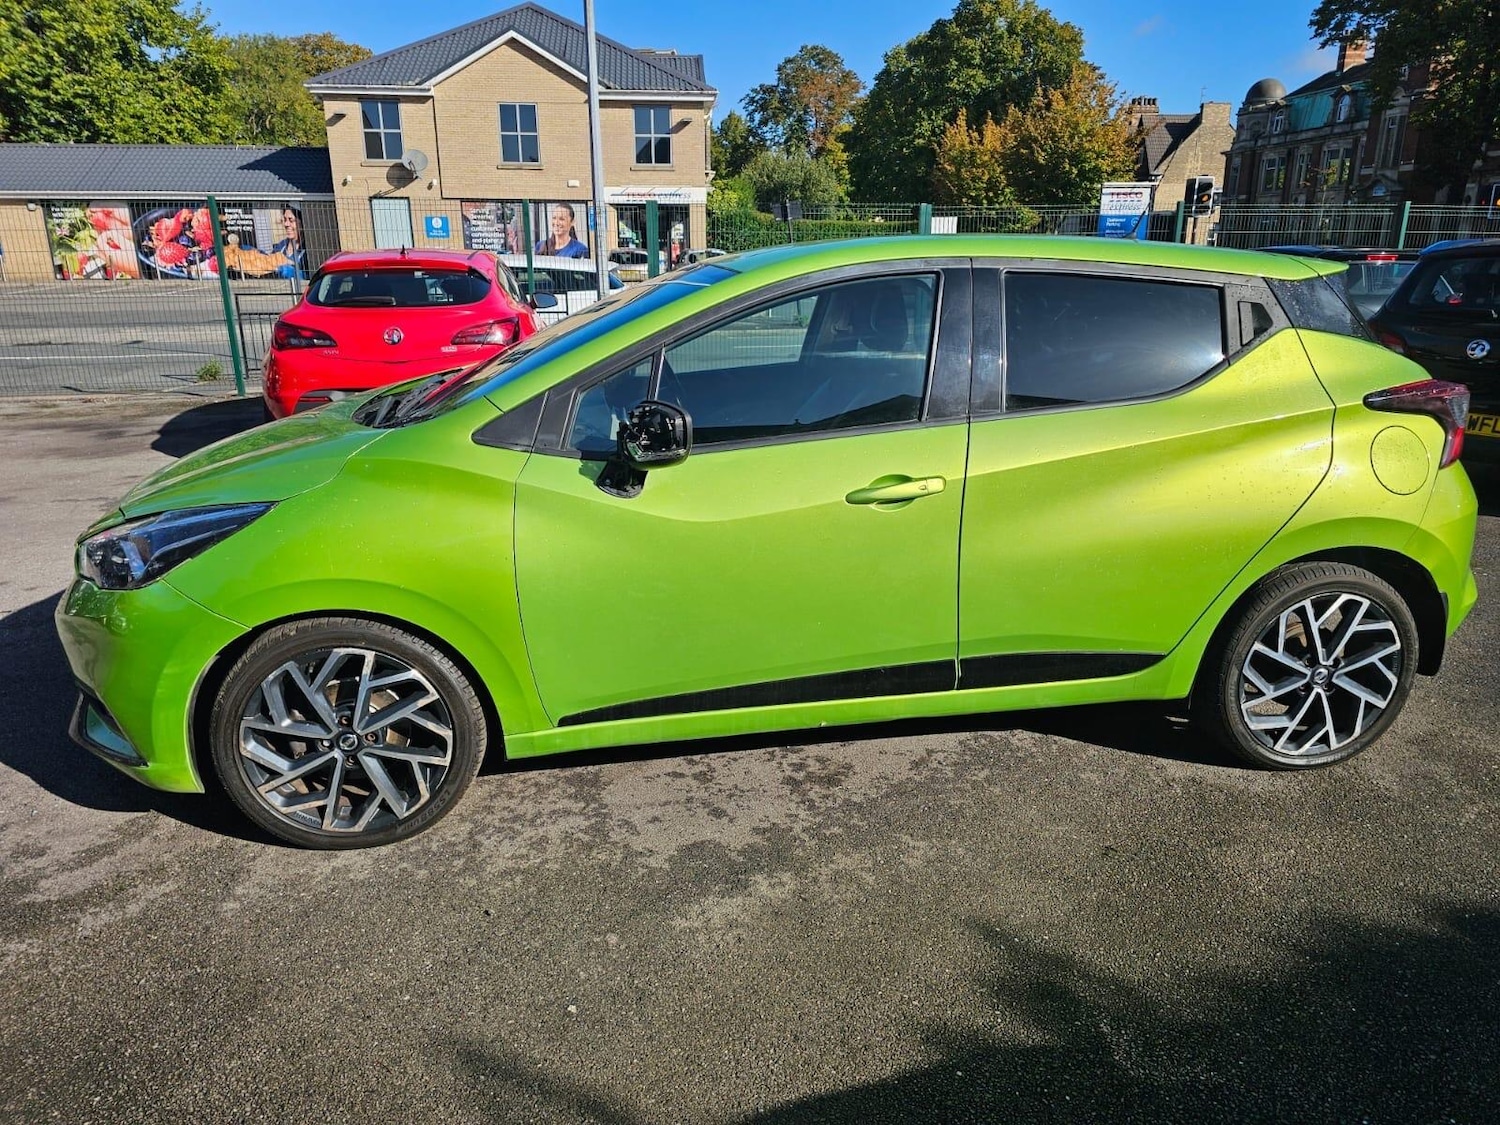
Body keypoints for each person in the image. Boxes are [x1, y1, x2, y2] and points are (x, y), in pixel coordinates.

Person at [271, 205, 305, 279]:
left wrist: (286, 268)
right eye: (285, 219)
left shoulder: (307, 251)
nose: (286, 224)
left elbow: (308, 275)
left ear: (302, 223)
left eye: (291, 220)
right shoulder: (280, 246)